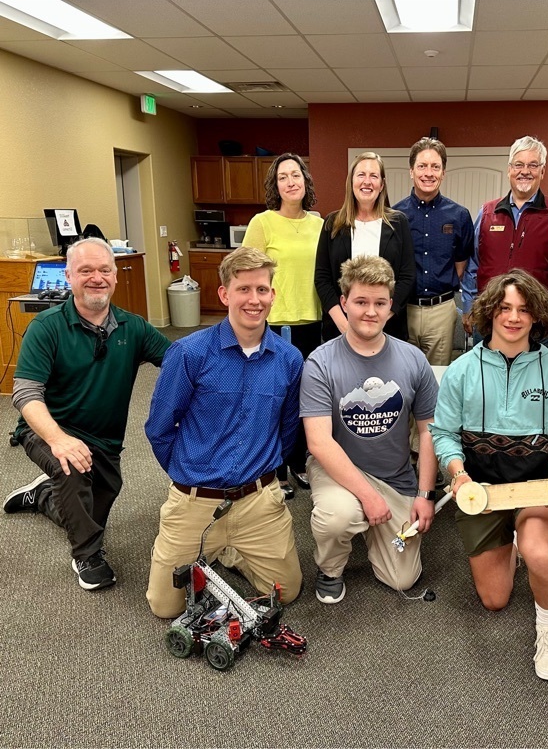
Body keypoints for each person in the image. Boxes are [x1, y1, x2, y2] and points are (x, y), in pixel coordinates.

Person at [431, 269, 548, 680]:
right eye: (504, 308)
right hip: (480, 491)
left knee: (538, 551)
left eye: (523, 310)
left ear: (537, 318)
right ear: (489, 313)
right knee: (495, 599)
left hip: (535, 488)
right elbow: (443, 434)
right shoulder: (461, 371)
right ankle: (510, 542)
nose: (513, 318)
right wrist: (457, 474)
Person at [4, 237, 171, 591]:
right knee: (73, 471)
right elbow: (26, 393)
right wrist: (59, 440)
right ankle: (87, 555)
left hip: (104, 439)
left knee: (98, 500)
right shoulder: (46, 327)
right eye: (85, 270)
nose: (96, 277)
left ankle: (43, 496)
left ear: (114, 275)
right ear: (68, 276)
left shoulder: (134, 327)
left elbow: (180, 362)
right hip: (49, 429)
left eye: (104, 270)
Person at [144, 247, 303, 618]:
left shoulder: (289, 359)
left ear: (273, 295)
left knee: (287, 591)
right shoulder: (189, 353)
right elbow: (159, 428)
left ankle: (228, 550)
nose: (254, 299)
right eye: (244, 289)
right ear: (224, 294)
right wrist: (188, 476)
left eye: (262, 290)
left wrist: (268, 478)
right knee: (165, 607)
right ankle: (191, 544)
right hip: (196, 500)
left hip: (259, 502)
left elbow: (289, 429)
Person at [301, 255, 438, 604]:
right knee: (338, 517)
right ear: (344, 303)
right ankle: (330, 567)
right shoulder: (320, 362)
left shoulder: (413, 360)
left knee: (403, 576)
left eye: (379, 303)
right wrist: (368, 496)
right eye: (361, 302)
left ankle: (377, 531)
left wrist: (424, 495)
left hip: (395, 477)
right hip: (338, 469)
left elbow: (428, 433)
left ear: (391, 306)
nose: (370, 312)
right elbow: (319, 443)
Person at [242, 152, 324, 497]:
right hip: (278, 325)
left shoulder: (321, 223)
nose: (291, 182)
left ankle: (298, 460)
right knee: (276, 398)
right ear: (275, 186)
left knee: (308, 400)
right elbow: (244, 269)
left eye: (296, 175)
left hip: (315, 323)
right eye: (283, 177)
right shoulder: (262, 223)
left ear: (306, 181)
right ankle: (276, 470)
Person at [462, 135, 548, 335]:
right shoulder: (488, 212)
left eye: (533, 165)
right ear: (509, 170)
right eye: (519, 165)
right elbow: (473, 265)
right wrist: (469, 306)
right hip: (489, 318)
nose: (525, 171)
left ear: (542, 170)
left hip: (536, 322)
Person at [315, 151, 416, 343]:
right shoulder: (332, 223)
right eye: (361, 175)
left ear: (382, 184)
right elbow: (322, 278)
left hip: (388, 328)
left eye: (374, 176)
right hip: (340, 329)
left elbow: (407, 276)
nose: (367, 182)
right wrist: (344, 324)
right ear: (351, 181)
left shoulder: (398, 222)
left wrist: (380, 318)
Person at [393, 137, 474, 366]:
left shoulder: (459, 215)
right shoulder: (394, 216)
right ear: (411, 171)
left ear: (443, 172)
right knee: (401, 376)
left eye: (435, 167)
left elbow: (461, 267)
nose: (429, 173)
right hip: (402, 310)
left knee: (437, 379)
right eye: (422, 166)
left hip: (441, 311)